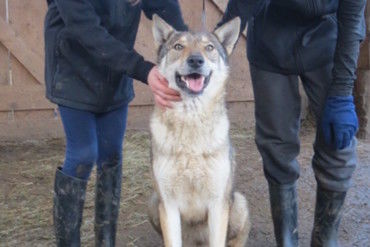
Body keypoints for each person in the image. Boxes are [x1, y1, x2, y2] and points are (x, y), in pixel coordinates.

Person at [216, 0, 366, 246]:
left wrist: (342, 92)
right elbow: (242, 5)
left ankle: (326, 239)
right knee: (276, 145)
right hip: (271, 38)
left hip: (329, 36)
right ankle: (286, 240)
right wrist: (215, 49)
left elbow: (351, 18)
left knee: (338, 142)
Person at [44, 0, 187, 246]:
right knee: (83, 155)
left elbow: (164, 7)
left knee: (111, 155)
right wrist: (143, 70)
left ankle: (106, 241)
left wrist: (186, 45)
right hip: (72, 71)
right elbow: (85, 29)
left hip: (114, 75)